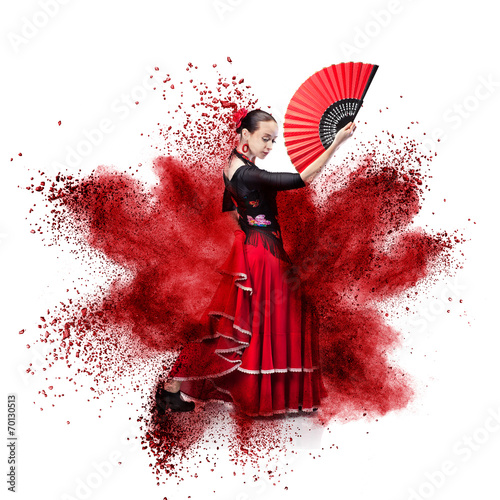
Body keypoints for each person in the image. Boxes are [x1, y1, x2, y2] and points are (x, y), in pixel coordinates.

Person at [155, 108, 356, 415]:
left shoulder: (231, 166)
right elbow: (305, 177)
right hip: (263, 253)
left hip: (255, 248)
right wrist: (337, 142)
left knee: (235, 324)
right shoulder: (247, 172)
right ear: (245, 135)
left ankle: (173, 387)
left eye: (273, 141)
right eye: (265, 138)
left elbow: (232, 210)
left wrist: (251, 233)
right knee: (270, 320)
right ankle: (272, 397)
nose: (270, 147)